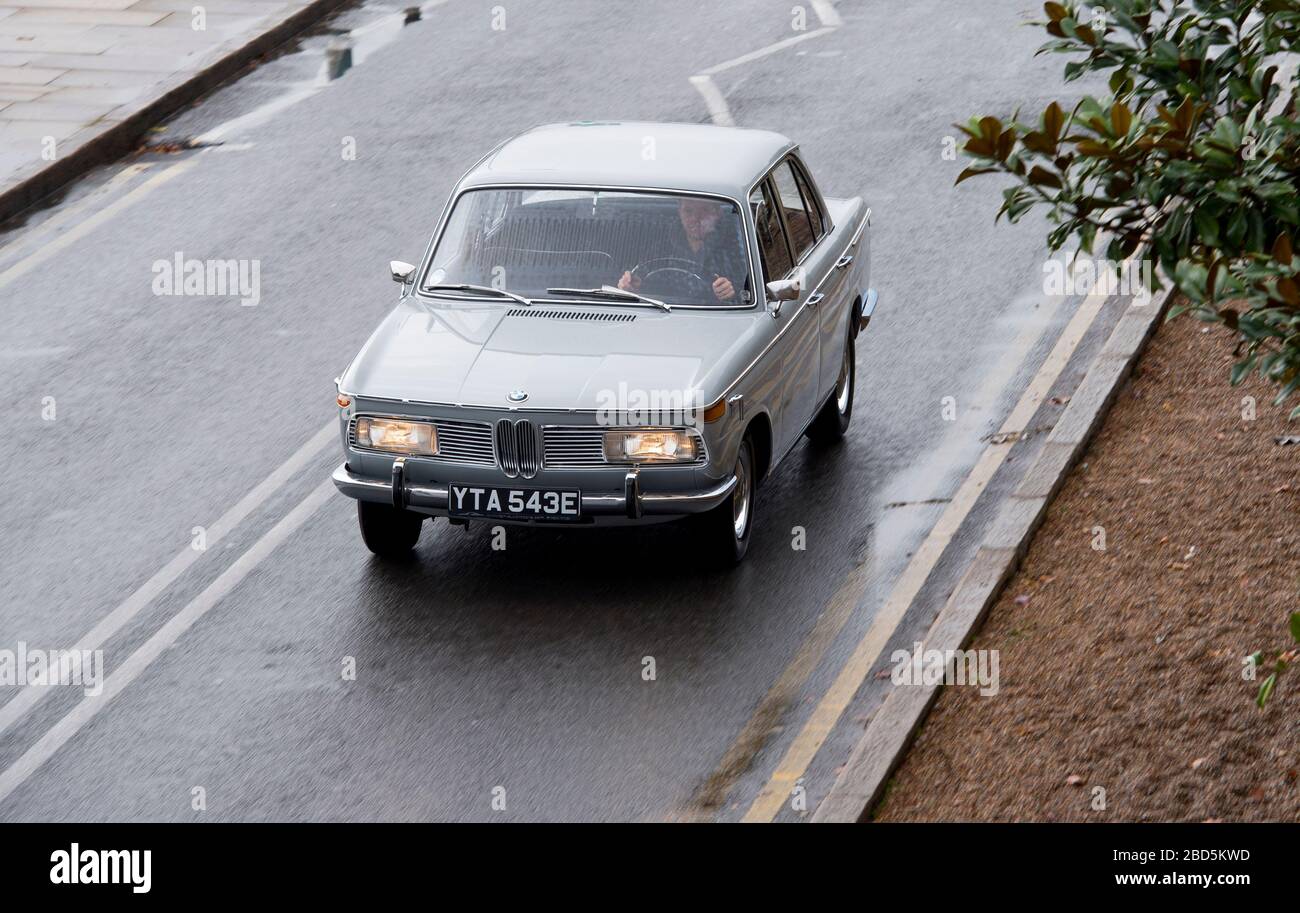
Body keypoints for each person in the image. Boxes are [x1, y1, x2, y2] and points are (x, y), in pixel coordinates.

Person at [618, 197, 747, 302]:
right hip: (662, 316)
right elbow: (638, 281)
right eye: (688, 211)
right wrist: (629, 285)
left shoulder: (735, 248)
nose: (696, 218)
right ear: (679, 212)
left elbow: (747, 293)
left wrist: (731, 292)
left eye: (705, 210)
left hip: (718, 319)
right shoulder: (660, 249)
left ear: (717, 213)